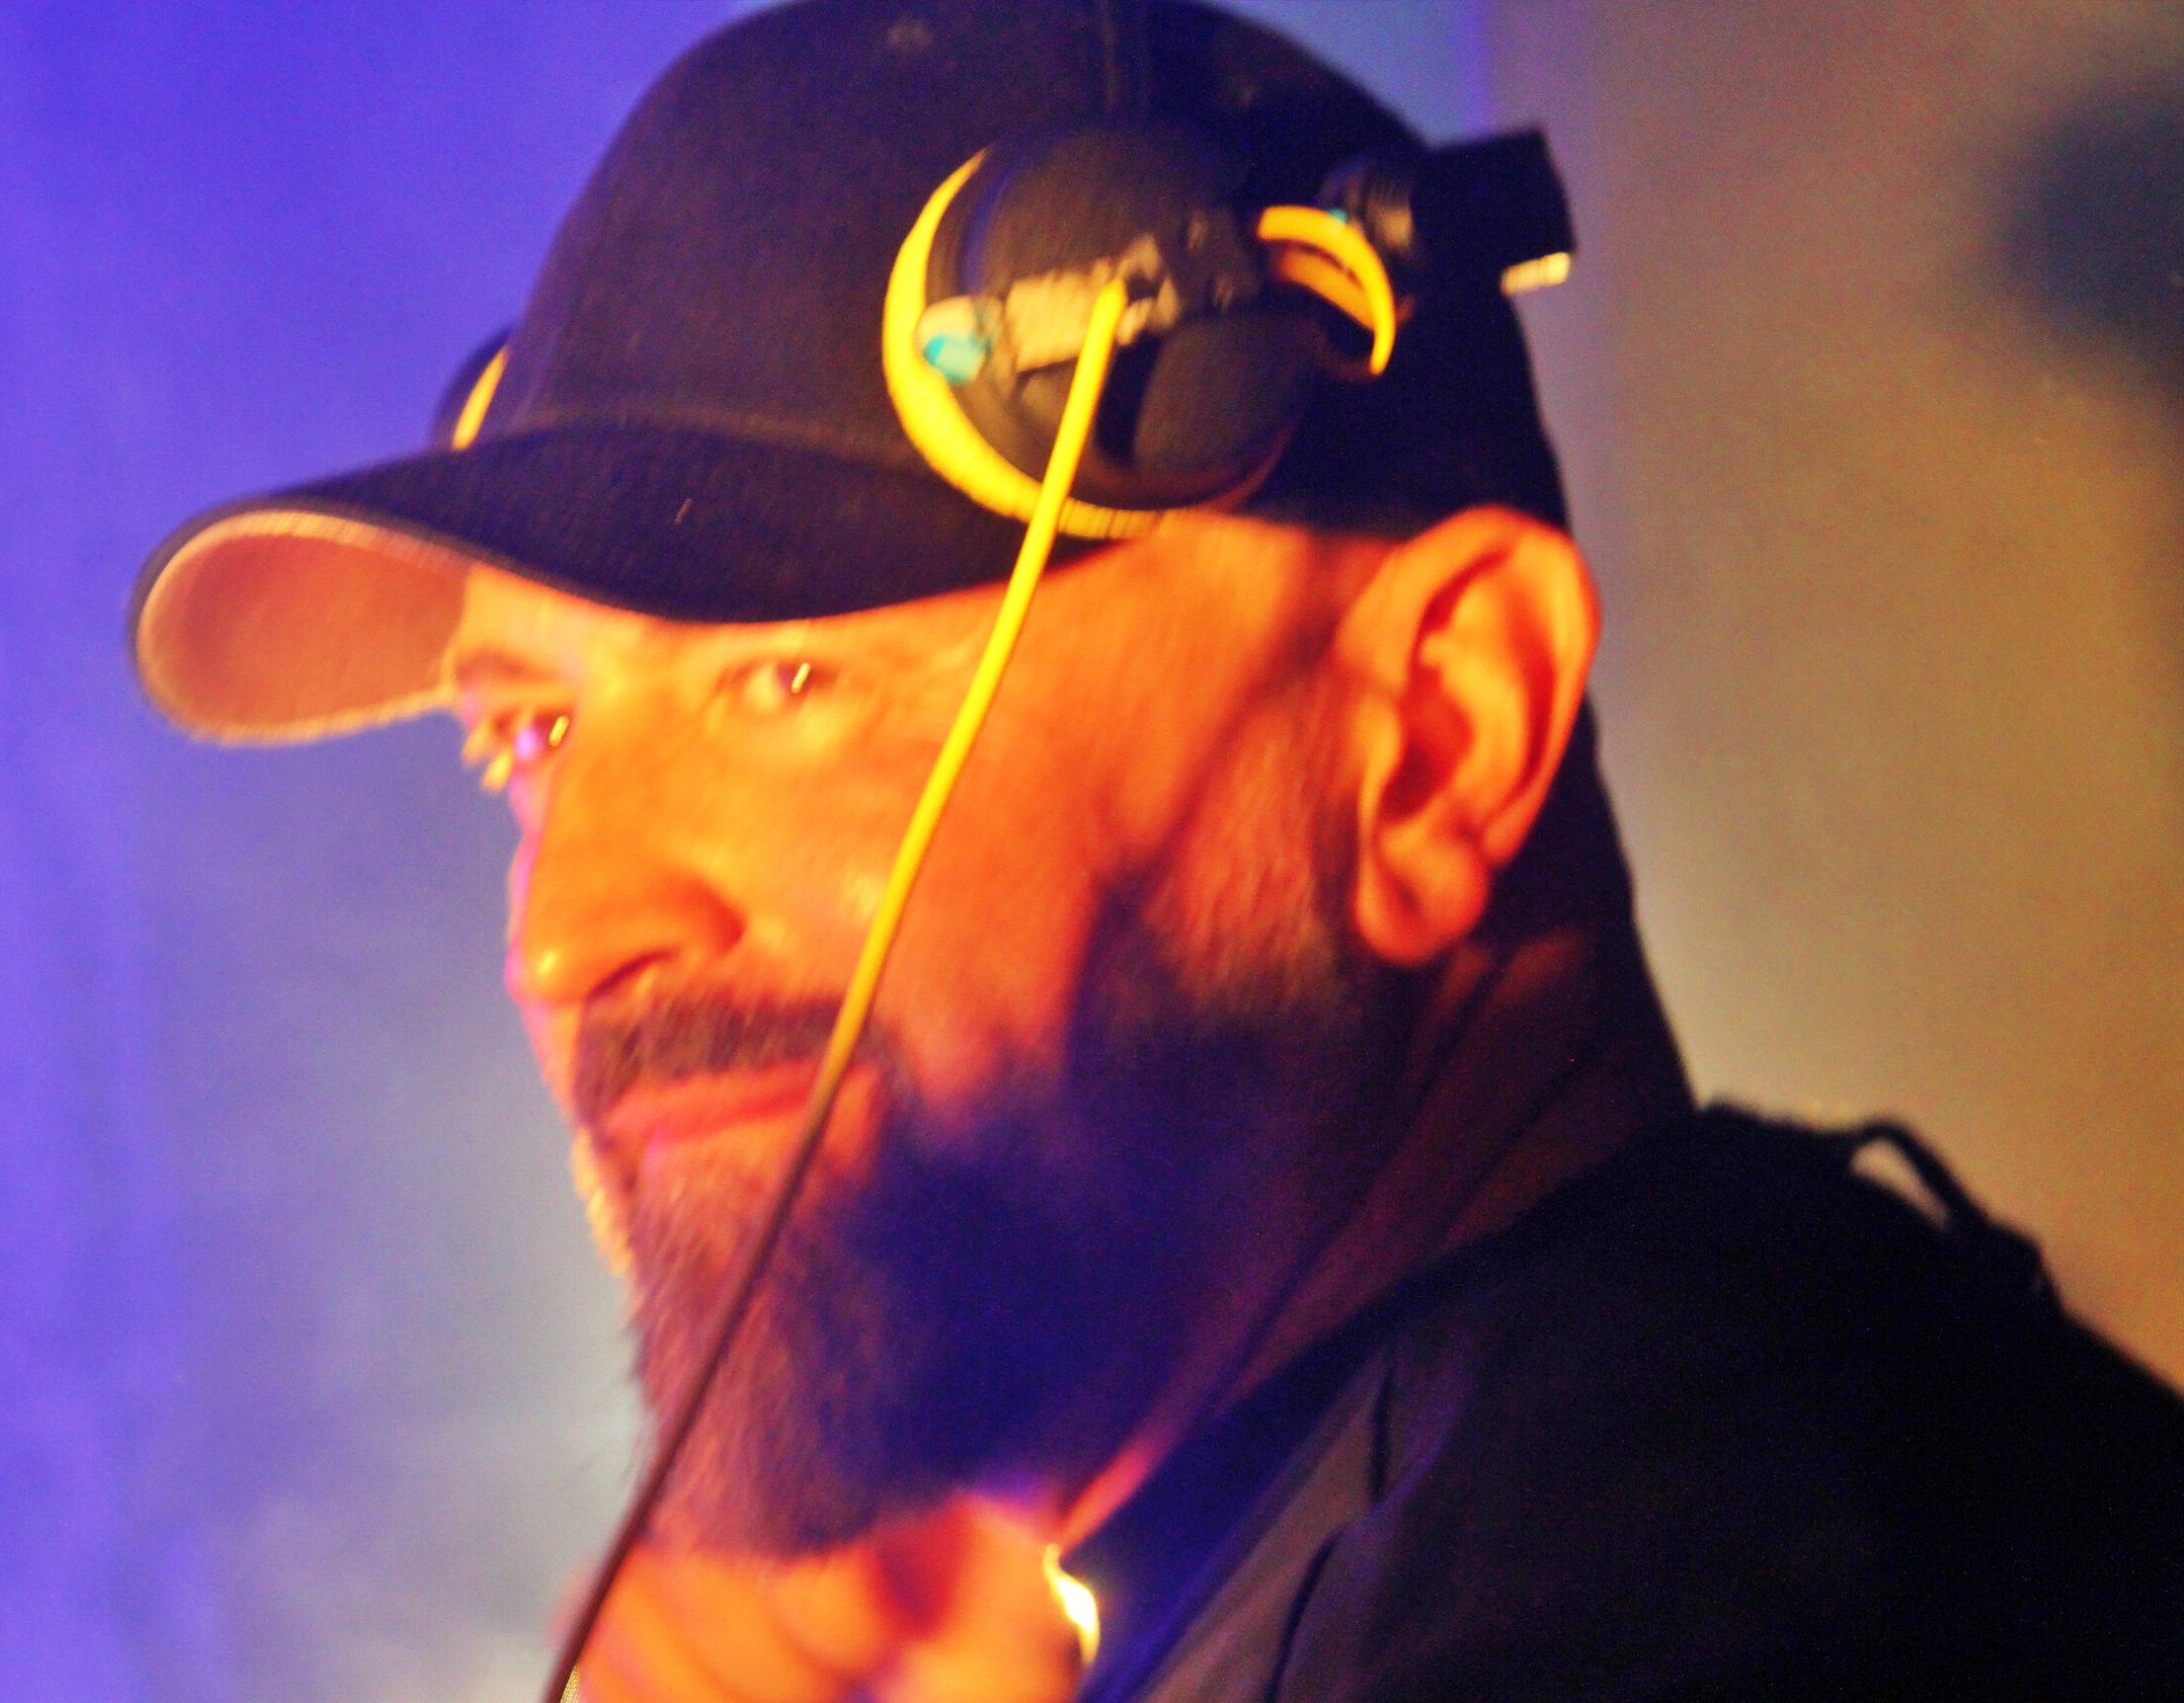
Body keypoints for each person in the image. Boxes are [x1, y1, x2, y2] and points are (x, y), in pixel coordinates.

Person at [128, 2, 2184, 1698]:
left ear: (1435, 738)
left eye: (789, 682)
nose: (573, 930)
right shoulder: (1547, 1497)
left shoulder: (1716, 1613)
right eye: (533, 734)